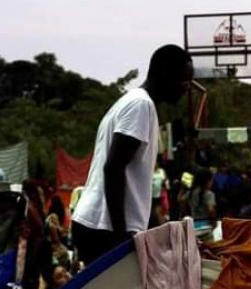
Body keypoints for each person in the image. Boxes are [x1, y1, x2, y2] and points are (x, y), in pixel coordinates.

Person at [72, 45, 193, 265]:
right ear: (166, 74)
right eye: (184, 79)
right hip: (105, 228)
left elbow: (133, 182)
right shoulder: (140, 105)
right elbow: (114, 168)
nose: (187, 87)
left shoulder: (135, 103)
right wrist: (120, 239)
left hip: (102, 226)